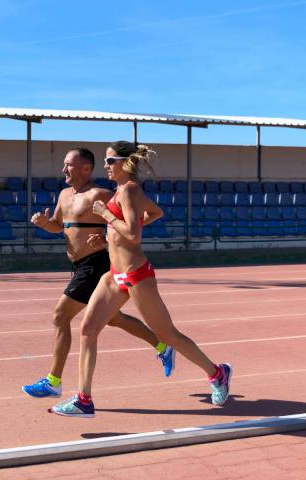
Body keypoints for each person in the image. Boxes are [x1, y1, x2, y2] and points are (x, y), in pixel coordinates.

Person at [50, 141, 231, 418]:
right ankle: (83, 400)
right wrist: (108, 237)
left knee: (167, 335)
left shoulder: (130, 190)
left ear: (125, 162)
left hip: (136, 275)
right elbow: (155, 212)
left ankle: (217, 373)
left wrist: (106, 216)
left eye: (110, 161)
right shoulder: (122, 190)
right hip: (114, 274)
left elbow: (133, 235)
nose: (105, 166)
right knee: (88, 329)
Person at [22, 147, 175, 399]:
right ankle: (162, 346)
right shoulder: (63, 195)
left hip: (96, 264)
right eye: (64, 164)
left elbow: (139, 216)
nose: (63, 169)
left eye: (69, 165)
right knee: (114, 318)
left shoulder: (102, 194)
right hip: (78, 266)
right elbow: (58, 226)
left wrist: (109, 236)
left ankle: (53, 381)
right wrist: (44, 223)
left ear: (85, 168)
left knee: (60, 316)